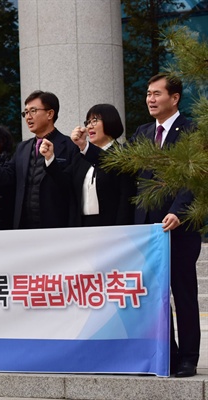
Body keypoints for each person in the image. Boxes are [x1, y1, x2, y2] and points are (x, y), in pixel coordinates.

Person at [79, 73, 202, 377]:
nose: (150, 99)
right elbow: (119, 165)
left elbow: (195, 178)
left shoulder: (192, 131)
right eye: (148, 93)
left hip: (178, 227)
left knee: (182, 294)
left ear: (174, 98)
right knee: (154, 298)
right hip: (147, 231)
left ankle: (188, 357)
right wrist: (85, 147)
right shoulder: (143, 132)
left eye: (156, 94)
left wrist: (178, 211)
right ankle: (168, 356)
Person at [0, 91, 79, 229]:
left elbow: (71, 187)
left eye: (33, 111)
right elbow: (5, 178)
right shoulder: (23, 148)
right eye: (25, 113)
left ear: (50, 114)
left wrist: (51, 161)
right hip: (25, 227)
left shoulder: (70, 146)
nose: (28, 117)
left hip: (57, 226)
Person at [47, 104, 135, 227]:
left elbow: (126, 198)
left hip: (112, 226)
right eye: (87, 122)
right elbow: (64, 183)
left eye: (95, 120)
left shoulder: (122, 155)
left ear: (110, 121)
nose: (89, 126)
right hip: (83, 226)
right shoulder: (81, 157)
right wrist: (50, 158)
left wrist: (121, 229)